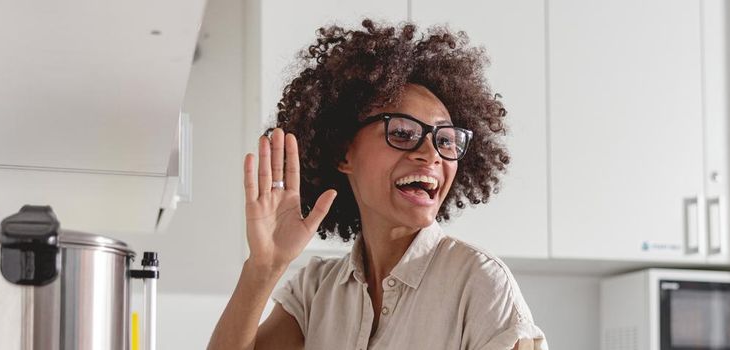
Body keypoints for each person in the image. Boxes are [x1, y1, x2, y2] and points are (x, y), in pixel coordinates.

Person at [207, 19, 548, 350]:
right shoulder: (315, 292)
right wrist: (264, 268)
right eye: (402, 133)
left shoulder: (479, 284)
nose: (431, 155)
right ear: (343, 152)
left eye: (446, 141)